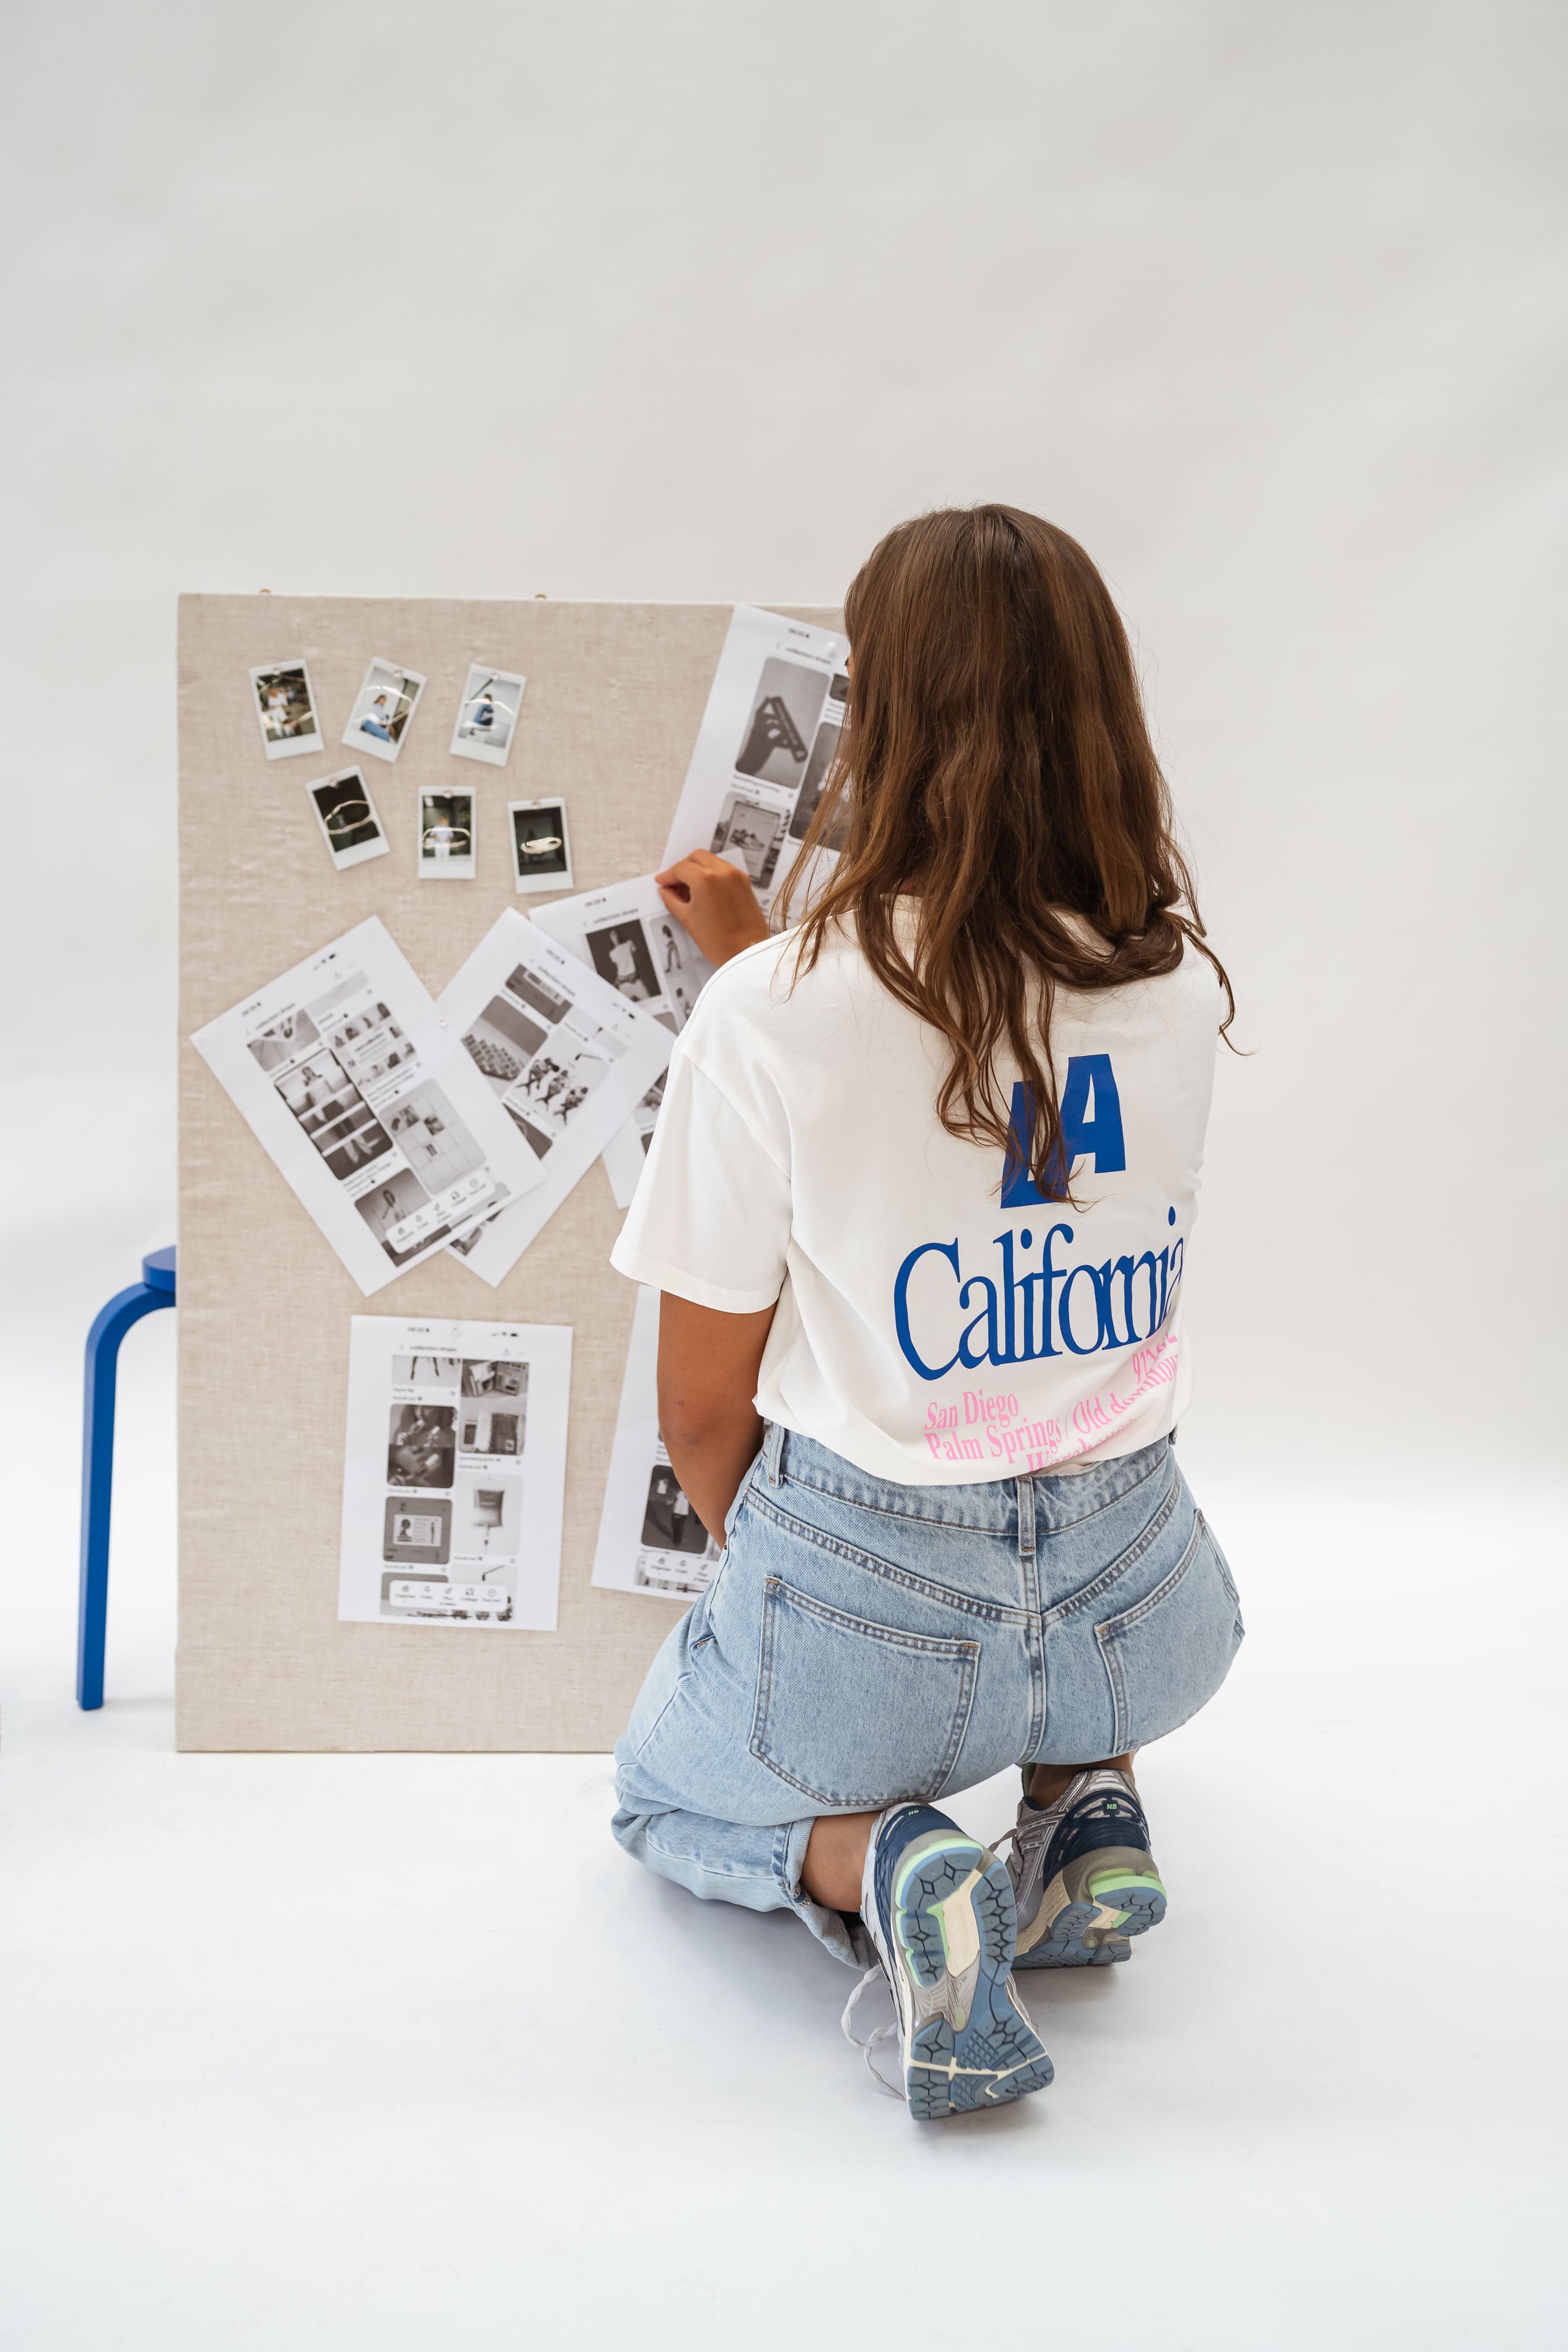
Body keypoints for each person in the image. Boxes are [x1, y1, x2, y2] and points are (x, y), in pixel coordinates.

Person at [608, 505, 1244, 2122]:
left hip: (876, 1619)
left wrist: (759, 980)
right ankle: (1085, 1800)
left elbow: (697, 1413)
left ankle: (893, 1859)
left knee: (657, 1794)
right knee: (1051, 1485)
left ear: (876, 724)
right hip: (1145, 1612)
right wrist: (767, 971)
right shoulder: (1166, 982)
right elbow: (990, 1128)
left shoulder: (769, 1021)